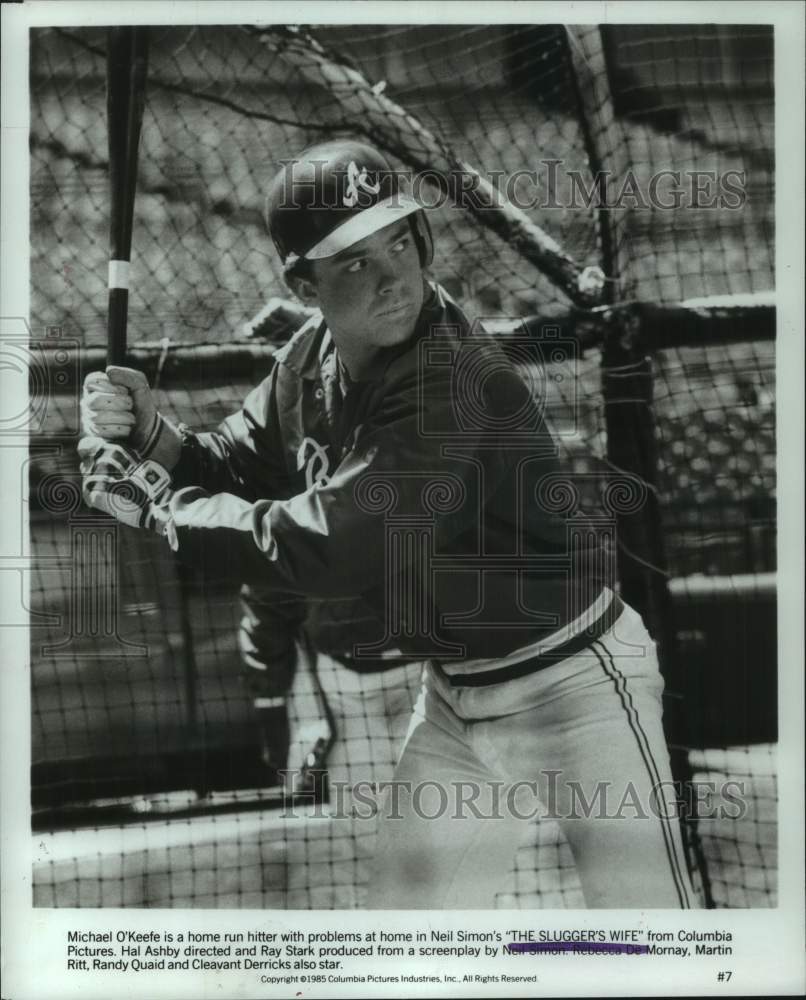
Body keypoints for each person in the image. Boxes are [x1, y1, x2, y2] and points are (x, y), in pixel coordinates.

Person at [79, 139, 697, 909]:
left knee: (651, 941)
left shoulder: (453, 374)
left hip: (576, 686)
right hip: (458, 700)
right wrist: (150, 437)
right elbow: (235, 461)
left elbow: (339, 546)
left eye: (398, 241)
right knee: (402, 948)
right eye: (354, 262)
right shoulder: (307, 360)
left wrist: (160, 511)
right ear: (304, 284)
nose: (394, 276)